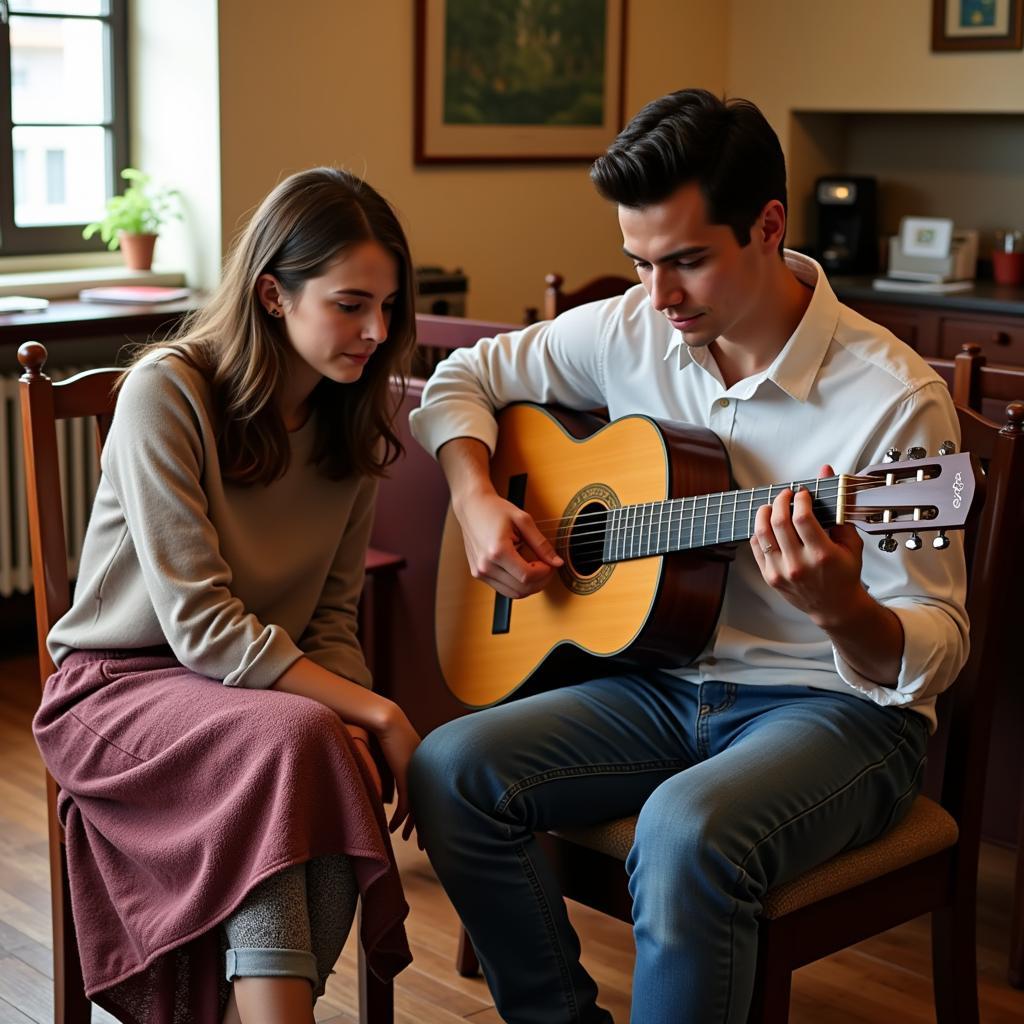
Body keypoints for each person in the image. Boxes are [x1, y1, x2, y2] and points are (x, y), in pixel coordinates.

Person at [407, 89, 969, 1023]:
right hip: (661, 682)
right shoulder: (631, 327)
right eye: (638, 262)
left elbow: (933, 651)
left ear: (769, 226)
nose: (658, 295)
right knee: (448, 770)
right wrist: (474, 498)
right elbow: (463, 376)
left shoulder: (895, 402)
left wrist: (841, 608)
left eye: (686, 262)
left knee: (681, 830)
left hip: (836, 713)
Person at [32, 167, 422, 1024]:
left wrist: (351, 718)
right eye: (352, 304)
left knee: (314, 742)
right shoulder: (167, 391)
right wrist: (379, 715)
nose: (376, 331)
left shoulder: (351, 427)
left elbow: (329, 619)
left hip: (258, 702)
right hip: (117, 689)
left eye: (389, 307)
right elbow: (201, 625)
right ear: (274, 296)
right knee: (304, 737)